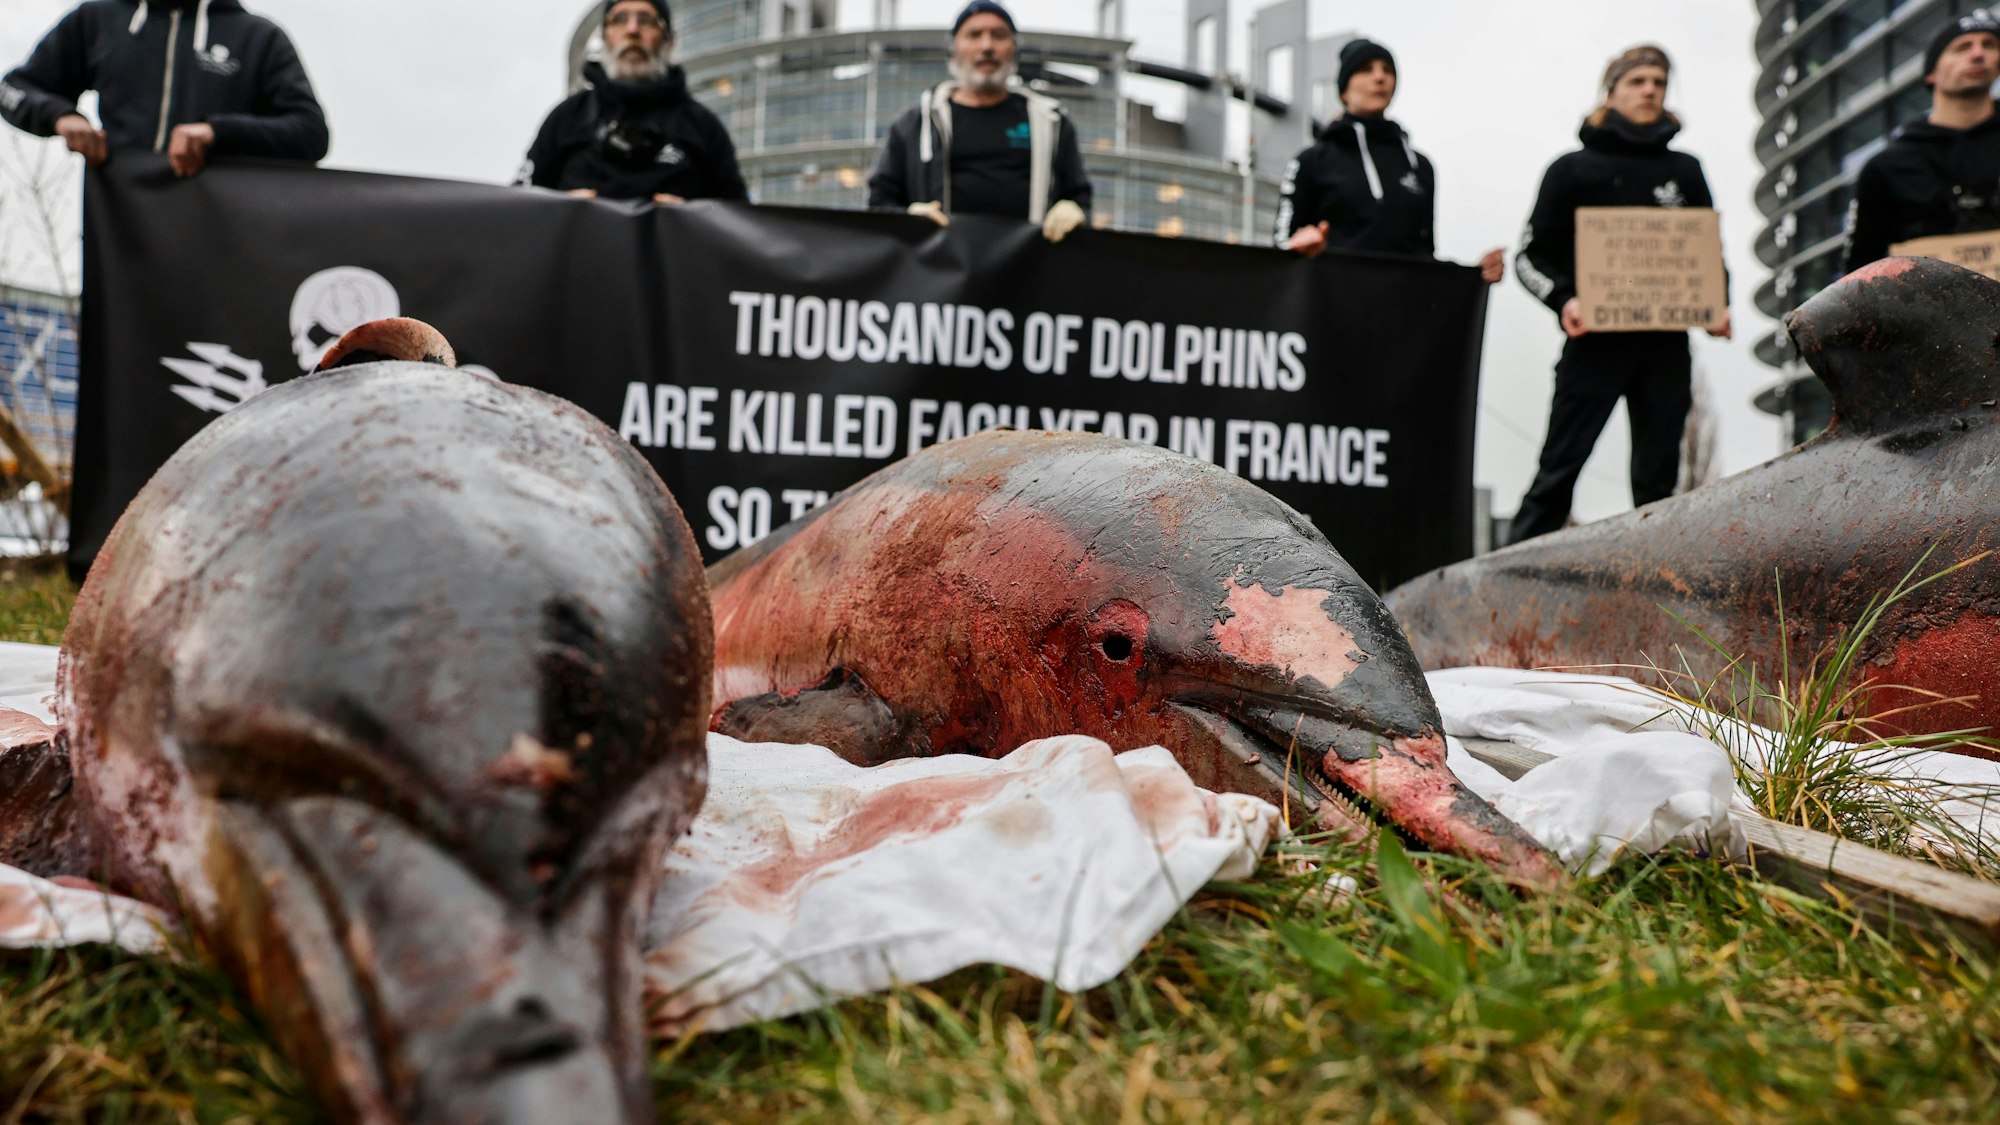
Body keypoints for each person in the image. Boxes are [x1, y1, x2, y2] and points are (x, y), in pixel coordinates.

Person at [1508, 44, 1731, 547]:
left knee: (1659, 484)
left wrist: (1720, 303)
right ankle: (1507, 577)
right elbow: (1528, 258)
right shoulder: (1571, 170)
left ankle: (1657, 588)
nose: (1650, 89)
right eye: (1638, 81)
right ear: (1610, 92)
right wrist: (1565, 300)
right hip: (1594, 345)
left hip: (1665, 346)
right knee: (1558, 471)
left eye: (1659, 81)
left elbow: (1706, 252)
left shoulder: (1686, 171)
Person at [0, 0, 328, 177]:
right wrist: (61, 117)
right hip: (118, 235)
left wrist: (217, 133)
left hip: (226, 241)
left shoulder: (260, 38)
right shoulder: (97, 19)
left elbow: (310, 134)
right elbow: (12, 89)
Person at [1277, 38, 1503, 283]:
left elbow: (1424, 256)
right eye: (1366, 70)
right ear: (1344, 89)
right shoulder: (1310, 161)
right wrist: (1298, 246)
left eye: (1387, 70)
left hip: (1402, 313)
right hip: (1332, 309)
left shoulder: (1420, 167)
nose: (1379, 77)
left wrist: (1474, 274)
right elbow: (1280, 247)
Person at [866, 0, 1092, 242]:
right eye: (974, 35)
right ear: (953, 49)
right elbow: (879, 204)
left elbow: (1080, 198)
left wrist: (1074, 209)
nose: (987, 46)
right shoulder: (913, 125)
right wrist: (907, 218)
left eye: (999, 35)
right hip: (938, 273)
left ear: (1013, 48)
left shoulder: (1052, 122)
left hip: (1028, 271)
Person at [516, 0, 748, 204]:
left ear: (669, 41)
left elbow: (738, 222)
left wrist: (695, 221)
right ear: (604, 36)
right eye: (619, 19)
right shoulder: (567, 116)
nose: (632, 30)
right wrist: (555, 210)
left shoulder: (703, 126)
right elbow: (520, 204)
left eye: (646, 20)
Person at [1840, 10, 2000, 274]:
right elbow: (1859, 269)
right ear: (1930, 74)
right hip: (1925, 312)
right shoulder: (1886, 168)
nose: (1978, 54)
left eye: (1990, 45)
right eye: (1962, 47)